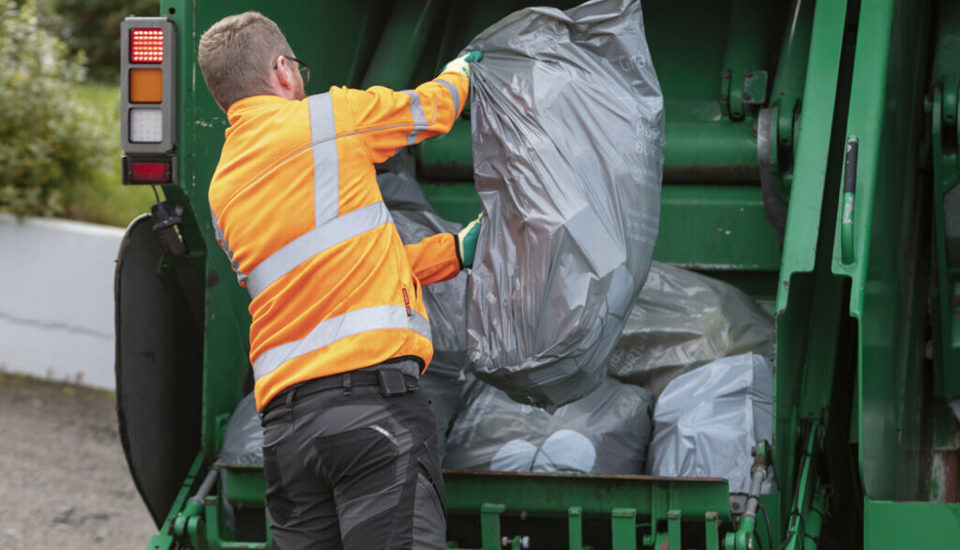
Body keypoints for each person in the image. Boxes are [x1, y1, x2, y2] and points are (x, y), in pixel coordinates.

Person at [197, 11, 482, 550]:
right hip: (371, 408)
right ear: (283, 71)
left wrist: (452, 252)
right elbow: (432, 108)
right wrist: (465, 69)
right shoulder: (331, 118)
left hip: (286, 433)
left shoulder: (222, 194)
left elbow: (339, 276)